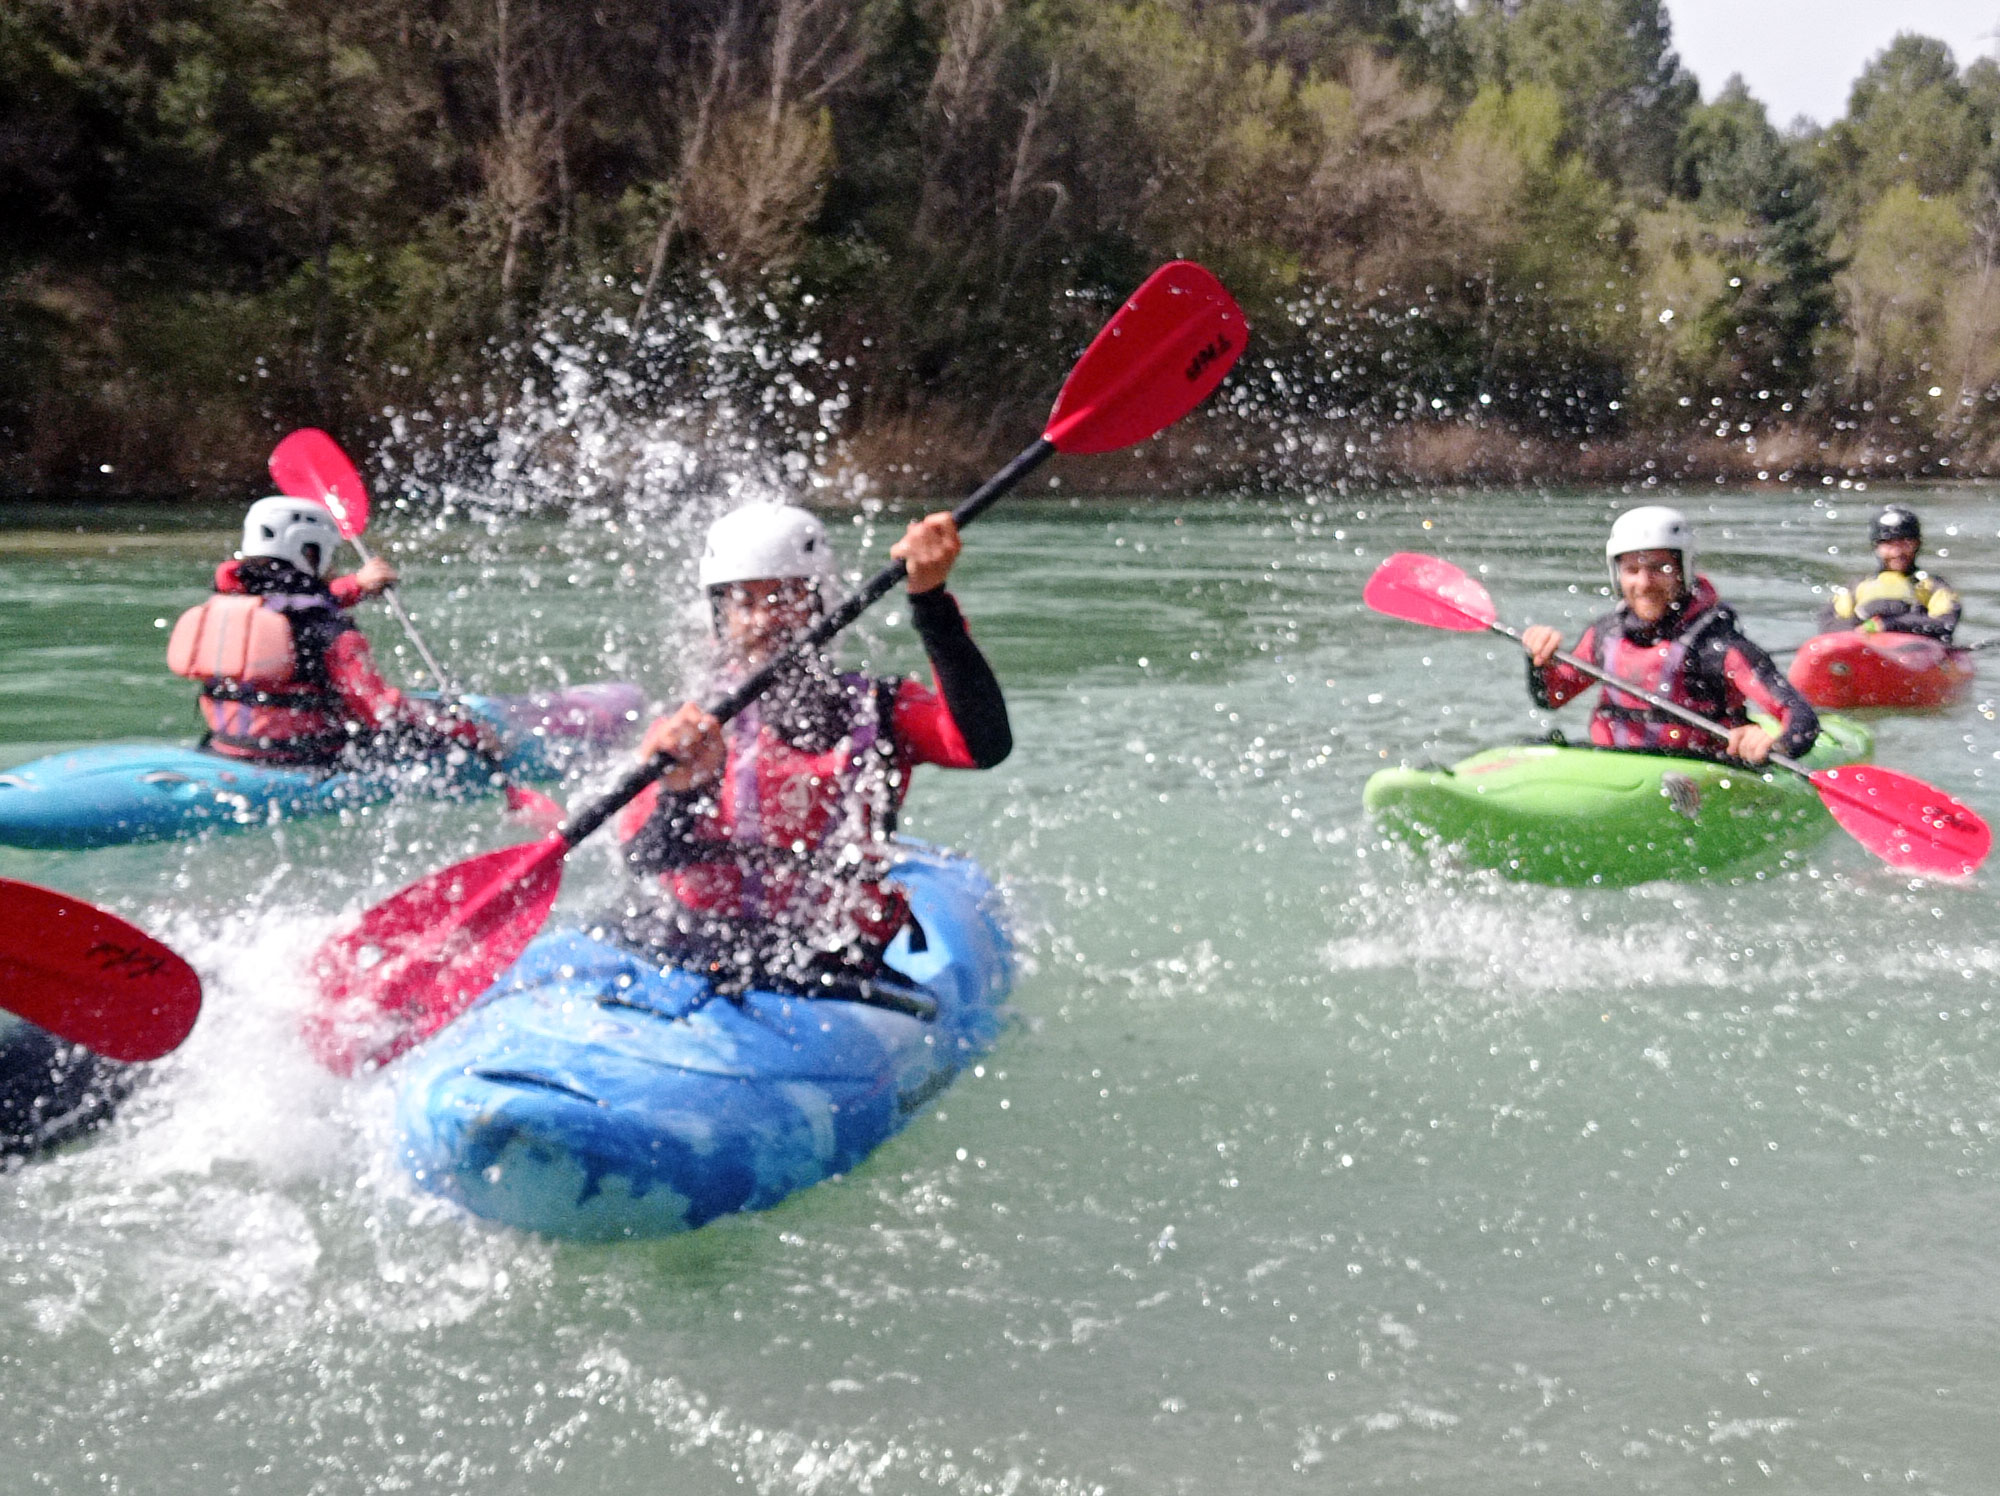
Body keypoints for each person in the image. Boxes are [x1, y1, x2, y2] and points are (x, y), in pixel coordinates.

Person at [612, 501, 1012, 996]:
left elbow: (984, 744)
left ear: (823, 602)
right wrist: (684, 792)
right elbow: (644, 859)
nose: (764, 619)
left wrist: (929, 601)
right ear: (721, 617)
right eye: (744, 602)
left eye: (786, 596)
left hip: (829, 962)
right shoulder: (687, 731)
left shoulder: (879, 711)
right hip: (693, 950)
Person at [167, 496, 488, 766]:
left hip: (225, 746)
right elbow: (382, 712)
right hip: (303, 757)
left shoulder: (230, 600)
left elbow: (294, 606)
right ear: (308, 552)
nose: (333, 567)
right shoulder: (330, 630)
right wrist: (467, 731)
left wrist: (357, 587)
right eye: (328, 555)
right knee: (435, 724)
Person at [1519, 505, 1818, 766]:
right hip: (1612, 765)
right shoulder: (1605, 635)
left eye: (1659, 568)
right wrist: (1538, 660)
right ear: (1617, 574)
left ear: (1683, 570)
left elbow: (1801, 718)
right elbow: (1551, 698)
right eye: (1632, 570)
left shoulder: (1718, 646)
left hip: (1698, 775)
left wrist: (1773, 745)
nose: (1644, 583)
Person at [1818, 505, 1960, 641]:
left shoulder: (1933, 586)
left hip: (1916, 651)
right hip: (1864, 648)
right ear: (1877, 547)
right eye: (1888, 544)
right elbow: (1828, 624)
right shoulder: (1856, 587)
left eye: (1905, 543)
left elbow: (1945, 623)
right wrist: (1859, 629)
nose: (1897, 552)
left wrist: (1889, 625)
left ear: (1917, 544)